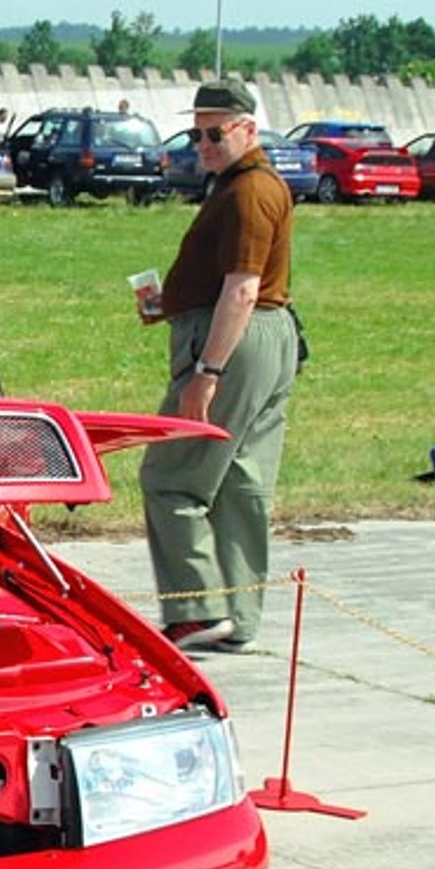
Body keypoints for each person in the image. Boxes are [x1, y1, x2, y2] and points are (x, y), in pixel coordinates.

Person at [136, 78, 297, 654]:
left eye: (215, 132)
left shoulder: (249, 192)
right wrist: (170, 302)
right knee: (239, 482)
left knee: (171, 476)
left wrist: (207, 372)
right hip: (263, 338)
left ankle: (196, 611)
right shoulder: (242, 185)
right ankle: (238, 614)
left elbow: (243, 289)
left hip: (235, 339)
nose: (202, 143)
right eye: (196, 132)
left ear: (248, 130)